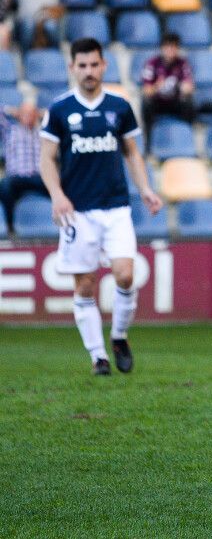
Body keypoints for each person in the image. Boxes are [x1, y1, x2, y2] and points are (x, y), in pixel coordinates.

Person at [39, 38, 163, 375]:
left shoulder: (119, 107)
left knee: (125, 274)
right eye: (82, 65)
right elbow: (47, 158)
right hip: (77, 211)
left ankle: (119, 336)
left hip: (116, 207)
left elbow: (132, 153)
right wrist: (56, 194)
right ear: (72, 67)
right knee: (86, 285)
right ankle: (98, 356)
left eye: (94, 65)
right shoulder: (60, 110)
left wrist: (146, 189)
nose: (89, 71)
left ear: (104, 65)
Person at [140, 32, 195, 153]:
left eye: (173, 47)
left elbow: (189, 86)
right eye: (167, 47)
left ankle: (189, 141)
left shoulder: (182, 63)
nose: (170, 50)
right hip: (158, 102)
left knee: (189, 102)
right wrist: (157, 86)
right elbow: (147, 91)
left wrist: (184, 87)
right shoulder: (152, 63)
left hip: (175, 102)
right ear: (162, 48)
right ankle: (148, 145)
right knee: (146, 103)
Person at [1, 100, 49, 232]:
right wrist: (11, 110)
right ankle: (10, 227)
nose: (28, 116)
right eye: (25, 113)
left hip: (39, 177)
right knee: (5, 186)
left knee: (64, 187)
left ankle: (68, 226)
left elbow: (59, 115)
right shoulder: (10, 130)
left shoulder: (43, 133)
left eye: (31, 113)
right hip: (16, 178)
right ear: (19, 114)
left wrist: (40, 113)